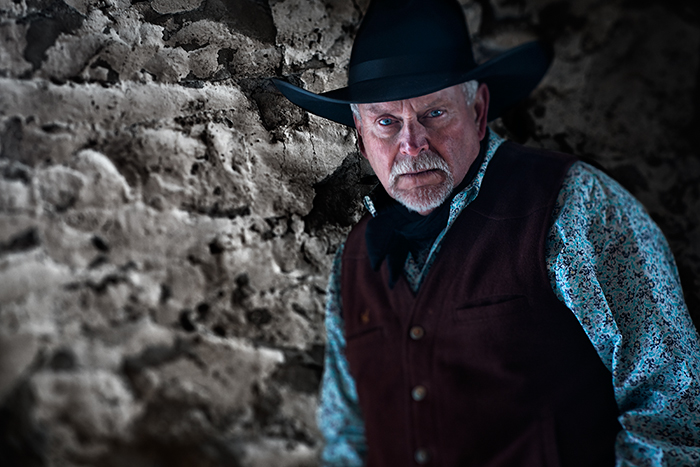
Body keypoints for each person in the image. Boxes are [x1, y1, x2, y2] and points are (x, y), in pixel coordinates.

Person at [273, 0, 700, 465]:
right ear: (359, 131)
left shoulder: (573, 206)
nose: (411, 144)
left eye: (434, 113)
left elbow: (675, 412)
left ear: (478, 110)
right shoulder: (355, 257)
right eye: (386, 121)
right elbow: (347, 435)